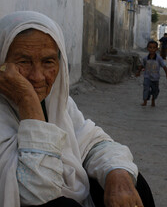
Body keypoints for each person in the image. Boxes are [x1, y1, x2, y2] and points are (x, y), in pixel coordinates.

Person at [0, 11, 155, 207]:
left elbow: (93, 143)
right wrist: (27, 101)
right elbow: (39, 194)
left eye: (48, 62)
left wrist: (117, 173)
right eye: (23, 62)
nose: (37, 76)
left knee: (130, 181)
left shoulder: (58, 103)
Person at [136, 40, 167, 106]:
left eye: (154, 48)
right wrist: (138, 72)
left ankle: (153, 99)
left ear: (156, 49)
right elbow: (142, 66)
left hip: (155, 78)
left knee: (155, 91)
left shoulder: (159, 58)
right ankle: (145, 101)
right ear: (147, 48)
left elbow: (164, 67)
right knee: (146, 89)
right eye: (150, 47)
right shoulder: (145, 58)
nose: (152, 49)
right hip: (147, 77)